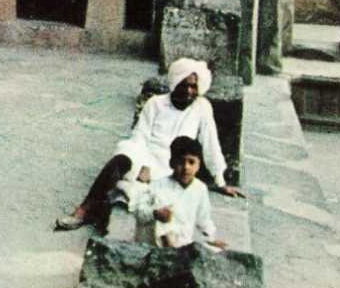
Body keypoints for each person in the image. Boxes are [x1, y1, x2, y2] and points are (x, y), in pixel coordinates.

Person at [54, 57, 245, 230]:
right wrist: (143, 164)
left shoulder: (202, 108)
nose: (189, 91)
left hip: (173, 166)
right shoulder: (156, 103)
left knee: (150, 196)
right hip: (146, 155)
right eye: (184, 85)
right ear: (175, 83)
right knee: (120, 160)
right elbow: (140, 136)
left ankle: (101, 209)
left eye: (194, 87)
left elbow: (210, 142)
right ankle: (84, 211)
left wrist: (220, 181)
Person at [133, 136, 228, 249]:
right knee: (161, 207)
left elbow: (204, 219)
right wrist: (155, 213)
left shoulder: (200, 189)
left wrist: (211, 239)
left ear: (198, 165)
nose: (186, 167)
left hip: (183, 241)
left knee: (215, 251)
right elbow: (139, 211)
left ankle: (177, 252)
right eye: (181, 162)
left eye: (191, 162)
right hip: (156, 242)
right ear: (172, 163)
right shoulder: (158, 186)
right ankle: (170, 250)